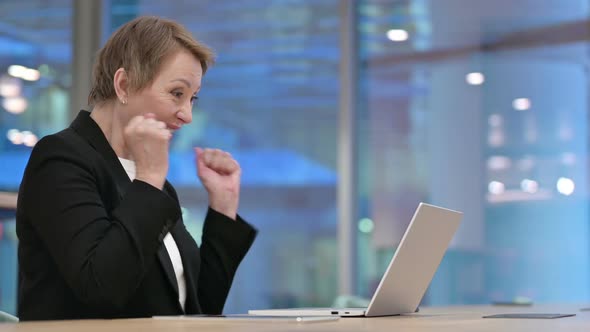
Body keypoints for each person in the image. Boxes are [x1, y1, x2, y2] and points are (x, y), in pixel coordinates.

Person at [16, 16, 257, 321]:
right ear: (124, 85)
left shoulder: (150, 182)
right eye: (177, 93)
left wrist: (223, 206)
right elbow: (100, 288)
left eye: (193, 99)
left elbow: (197, 308)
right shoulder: (61, 159)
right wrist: (150, 178)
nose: (187, 115)